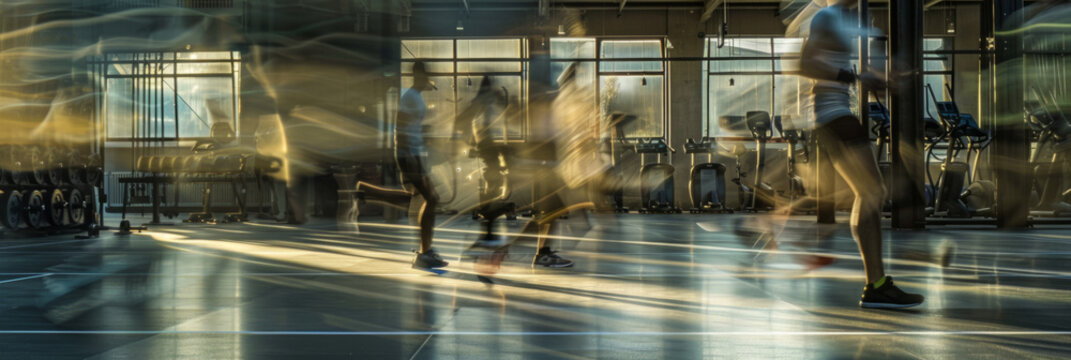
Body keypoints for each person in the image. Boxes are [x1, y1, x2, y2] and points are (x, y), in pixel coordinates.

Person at [798, 0, 924, 308]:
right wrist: (854, 78)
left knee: (868, 193)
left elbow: (846, 72)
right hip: (831, 113)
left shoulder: (850, 21)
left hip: (836, 112)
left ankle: (875, 283)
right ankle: (875, 284)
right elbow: (805, 65)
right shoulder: (827, 16)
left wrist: (882, 81)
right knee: (873, 191)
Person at [355, 60, 447, 271]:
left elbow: (412, 126)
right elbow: (400, 127)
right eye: (426, 75)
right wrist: (409, 156)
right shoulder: (410, 97)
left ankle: (366, 191)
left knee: (416, 198)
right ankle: (425, 253)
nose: (429, 79)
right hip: (408, 156)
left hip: (414, 154)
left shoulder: (416, 96)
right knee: (431, 199)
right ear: (418, 75)